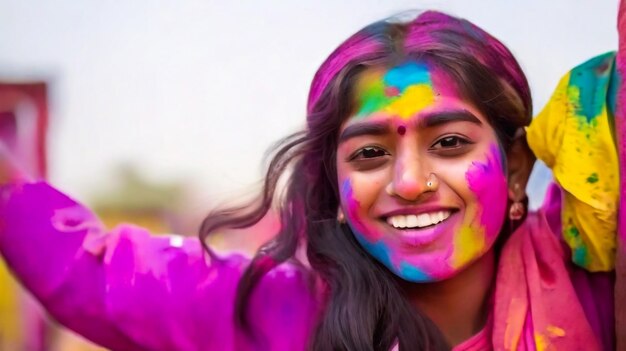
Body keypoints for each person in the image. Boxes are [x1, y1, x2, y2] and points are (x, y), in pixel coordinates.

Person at [0, 10, 622, 351]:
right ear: (334, 179)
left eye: (450, 143)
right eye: (370, 154)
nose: (407, 183)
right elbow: (88, 272)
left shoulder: (598, 286)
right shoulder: (274, 310)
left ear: (515, 166)